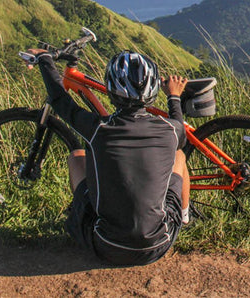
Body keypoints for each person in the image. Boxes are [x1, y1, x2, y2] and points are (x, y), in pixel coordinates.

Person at [29, 48, 190, 266]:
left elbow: (59, 98)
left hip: (106, 245)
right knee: (179, 155)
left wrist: (45, 59)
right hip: (158, 244)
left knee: (77, 157)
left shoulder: (97, 129)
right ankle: (184, 217)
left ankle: (81, 216)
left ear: (112, 91)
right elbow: (179, 127)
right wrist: (173, 96)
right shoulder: (171, 130)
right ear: (153, 91)